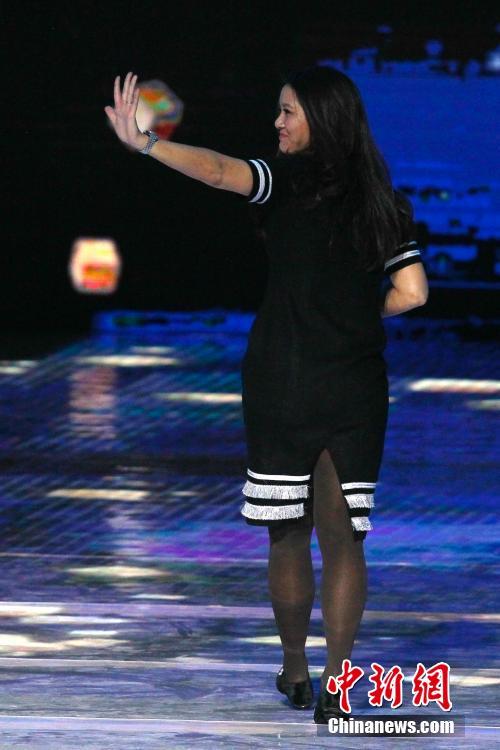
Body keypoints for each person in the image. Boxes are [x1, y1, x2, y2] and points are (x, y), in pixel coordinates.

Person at [105, 66, 428, 723]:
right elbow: (413, 292)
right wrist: (353, 315)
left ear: (321, 119)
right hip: (355, 382)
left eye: (287, 113)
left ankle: (295, 670)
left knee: (288, 534)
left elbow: (224, 172)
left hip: (283, 377)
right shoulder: (383, 202)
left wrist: (148, 144)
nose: (277, 124)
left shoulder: (290, 181)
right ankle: (339, 685)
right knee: (345, 540)